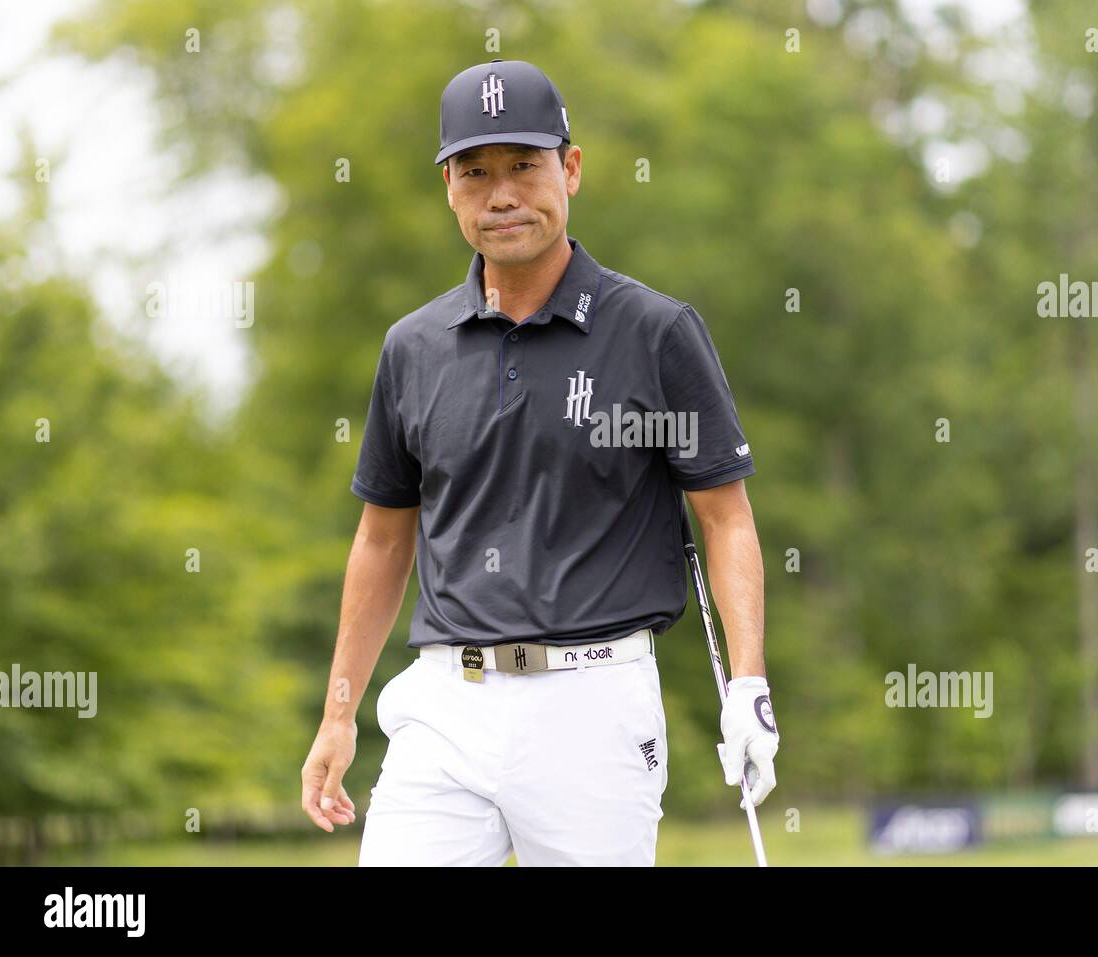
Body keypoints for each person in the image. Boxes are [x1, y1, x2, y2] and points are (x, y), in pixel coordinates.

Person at [300, 58, 779, 866]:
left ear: (572, 168)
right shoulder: (412, 348)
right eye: (475, 172)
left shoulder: (655, 333)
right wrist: (339, 711)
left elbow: (725, 517)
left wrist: (749, 685)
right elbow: (383, 539)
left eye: (524, 165)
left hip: (594, 706)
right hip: (446, 703)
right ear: (448, 187)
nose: (502, 194)